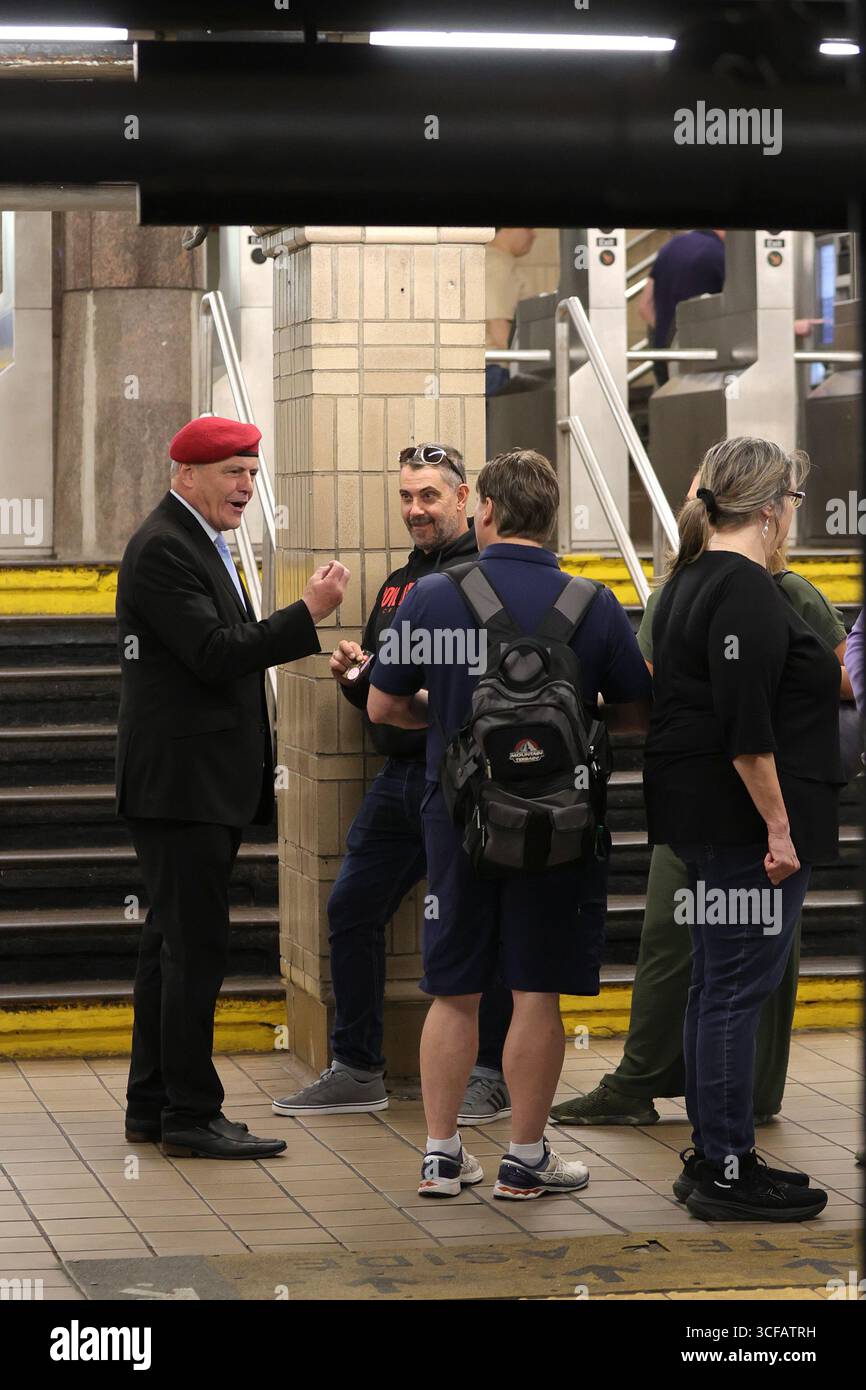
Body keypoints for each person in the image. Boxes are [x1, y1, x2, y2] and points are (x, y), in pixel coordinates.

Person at [367, 448, 653, 1198]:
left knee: (453, 989)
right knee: (536, 992)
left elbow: (383, 706)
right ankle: (525, 1161)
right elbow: (635, 712)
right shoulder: (593, 604)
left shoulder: (431, 597)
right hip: (558, 826)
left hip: (458, 820)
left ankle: (439, 1154)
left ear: (484, 511)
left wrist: (452, 713)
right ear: (550, 516)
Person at [552, 478, 851, 1129]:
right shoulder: (694, 592)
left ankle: (741, 1105)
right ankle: (710, 1133)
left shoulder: (780, 591)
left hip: (730, 806)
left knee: (731, 977)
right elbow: (703, 709)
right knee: (703, 967)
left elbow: (836, 681)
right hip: (731, 811)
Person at [116, 415, 348, 1160]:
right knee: (193, 951)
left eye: (252, 471)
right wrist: (306, 616)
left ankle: (152, 1103)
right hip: (181, 788)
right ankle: (191, 1114)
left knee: (168, 947)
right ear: (185, 474)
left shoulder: (193, 541)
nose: (247, 486)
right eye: (232, 472)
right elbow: (215, 655)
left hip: (192, 784)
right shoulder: (163, 549)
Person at [271, 444, 514, 1124]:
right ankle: (357, 1067)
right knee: (351, 906)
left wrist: (395, 680)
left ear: (464, 500)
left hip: (464, 776)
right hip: (401, 777)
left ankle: (489, 1073)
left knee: (475, 922)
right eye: (407, 497)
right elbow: (389, 692)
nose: (415, 509)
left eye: (429, 496)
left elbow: (482, 688)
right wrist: (358, 677)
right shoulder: (397, 586)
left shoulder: (484, 582)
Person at [643, 435, 841, 1221]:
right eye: (791, 501)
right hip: (745, 830)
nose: (791, 515)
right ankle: (726, 1168)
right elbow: (747, 729)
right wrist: (780, 830)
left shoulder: (691, 581)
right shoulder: (749, 594)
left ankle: (716, 1154)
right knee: (733, 992)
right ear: (769, 508)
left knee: (713, 987)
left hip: (705, 820)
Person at [637, 229, 725, 387]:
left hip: (662, 355)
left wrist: (669, 335)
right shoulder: (720, 254)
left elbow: (644, 306)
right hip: (700, 362)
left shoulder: (669, 247)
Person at [485, 227, 537, 396]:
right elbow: (497, 326)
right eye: (529, 228)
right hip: (495, 370)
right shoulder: (498, 264)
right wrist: (533, 364)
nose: (533, 235)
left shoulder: (491, 259)